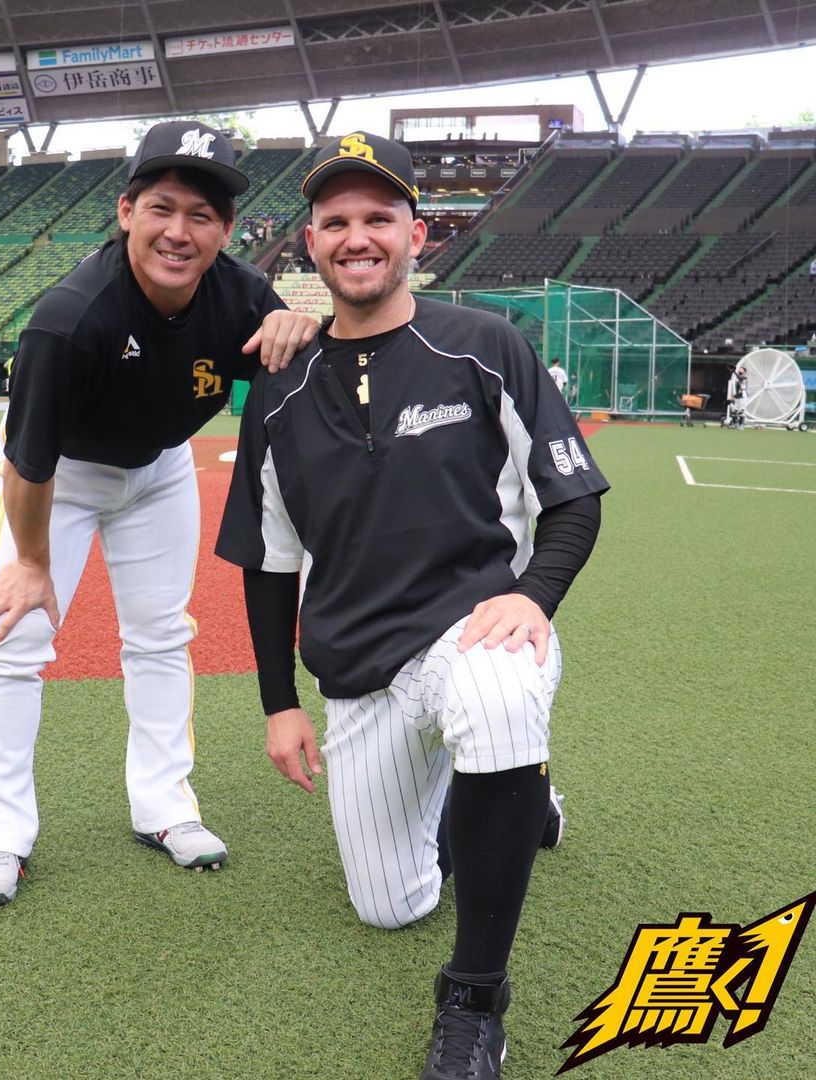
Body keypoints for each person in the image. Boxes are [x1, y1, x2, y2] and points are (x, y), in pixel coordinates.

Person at [216, 133, 608, 1079]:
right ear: (311, 244)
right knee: (390, 905)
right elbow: (268, 563)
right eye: (336, 222)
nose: (358, 237)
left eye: (379, 218)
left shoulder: (483, 344)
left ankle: (474, 1001)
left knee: (498, 697)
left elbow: (572, 497)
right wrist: (278, 704)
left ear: (416, 235)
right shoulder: (277, 387)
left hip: (473, 631)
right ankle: (520, 799)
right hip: (359, 670)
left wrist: (534, 596)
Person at [0, 120, 318, 908]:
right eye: (162, 208)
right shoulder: (69, 318)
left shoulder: (241, 294)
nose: (179, 232)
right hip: (60, 475)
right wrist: (31, 563)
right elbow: (28, 463)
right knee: (14, 636)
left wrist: (299, 320)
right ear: (126, 212)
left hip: (159, 468)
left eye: (201, 216)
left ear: (227, 230)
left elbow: (301, 355)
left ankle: (164, 805)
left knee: (161, 636)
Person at [725, 364, 748, 428]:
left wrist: (734, 372)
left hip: (743, 396)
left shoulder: (744, 378)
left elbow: (741, 379)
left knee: (741, 411)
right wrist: (733, 396)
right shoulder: (738, 379)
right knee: (734, 411)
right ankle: (734, 424)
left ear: (744, 372)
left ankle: (741, 425)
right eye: (739, 370)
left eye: (741, 370)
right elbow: (738, 389)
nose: (740, 371)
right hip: (738, 396)